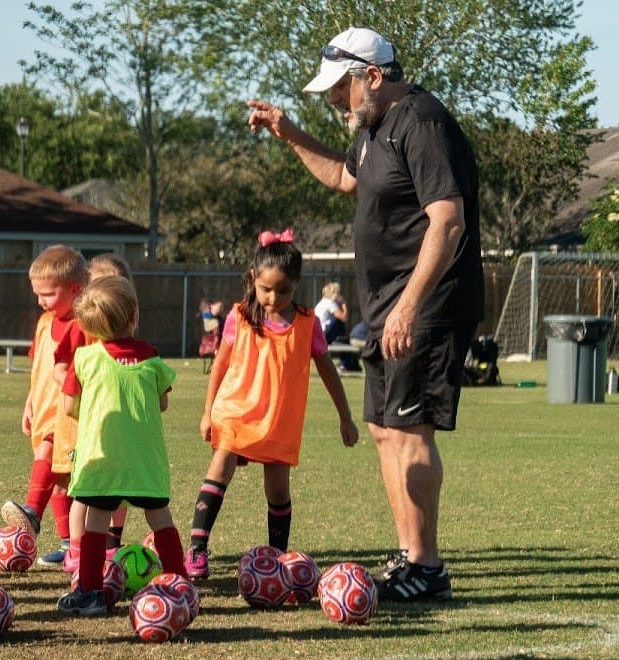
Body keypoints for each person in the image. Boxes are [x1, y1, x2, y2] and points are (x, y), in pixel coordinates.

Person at [247, 26, 483, 601]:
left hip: (423, 303)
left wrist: (408, 306)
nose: (333, 99)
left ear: (372, 76)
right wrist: (289, 133)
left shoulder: (422, 123)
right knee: (384, 429)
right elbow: (341, 177)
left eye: (340, 88)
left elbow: (446, 221)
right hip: (387, 307)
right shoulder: (374, 128)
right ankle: (410, 557)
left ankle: (427, 568)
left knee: (409, 428)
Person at [187, 231, 359, 580]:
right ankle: (197, 549)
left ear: (297, 285)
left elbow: (329, 372)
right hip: (236, 409)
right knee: (221, 465)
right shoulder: (239, 316)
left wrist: (346, 418)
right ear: (253, 279)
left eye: (284, 290)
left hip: (279, 418)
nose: (274, 297)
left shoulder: (308, 323)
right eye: (266, 289)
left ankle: (277, 560)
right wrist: (207, 412)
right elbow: (219, 365)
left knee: (278, 488)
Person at [57, 275, 187, 615]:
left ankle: (90, 593)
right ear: (134, 316)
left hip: (102, 459)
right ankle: (180, 584)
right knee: (159, 518)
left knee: (96, 522)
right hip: (145, 460)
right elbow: (162, 404)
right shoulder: (152, 358)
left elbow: (70, 407)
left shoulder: (85, 359)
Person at [0, 245, 90, 567]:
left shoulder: (84, 326)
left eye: (48, 294)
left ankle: (31, 514)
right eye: (37, 294)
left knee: (47, 457)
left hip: (68, 415)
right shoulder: (43, 323)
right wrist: (29, 403)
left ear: (75, 290)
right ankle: (69, 546)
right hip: (43, 411)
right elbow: (39, 365)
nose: (41, 301)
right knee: (60, 483)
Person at [59, 253, 134, 574]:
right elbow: (61, 372)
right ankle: (76, 551)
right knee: (84, 494)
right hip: (86, 433)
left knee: (115, 494)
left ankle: (110, 546)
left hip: (116, 432)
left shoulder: (129, 344)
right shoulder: (82, 342)